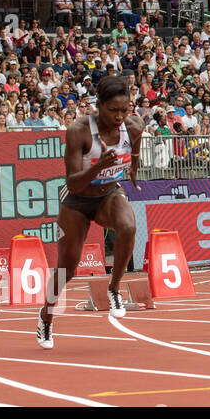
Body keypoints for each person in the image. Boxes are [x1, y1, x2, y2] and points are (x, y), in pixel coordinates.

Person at [37, 76, 143, 348]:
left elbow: (136, 149)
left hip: (108, 193)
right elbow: (72, 182)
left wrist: (133, 168)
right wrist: (98, 166)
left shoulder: (133, 126)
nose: (120, 117)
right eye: (113, 111)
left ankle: (114, 288)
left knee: (129, 226)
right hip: (77, 200)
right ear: (99, 106)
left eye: (125, 109)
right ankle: (46, 318)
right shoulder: (79, 130)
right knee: (67, 269)